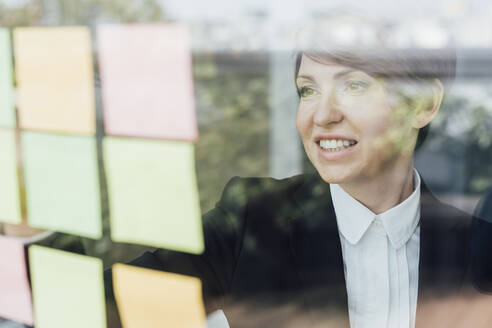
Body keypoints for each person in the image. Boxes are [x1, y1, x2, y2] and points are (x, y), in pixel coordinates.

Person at [104, 38, 492, 327]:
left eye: (353, 85)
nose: (321, 116)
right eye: (308, 89)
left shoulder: (476, 244)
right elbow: (98, 307)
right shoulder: (253, 219)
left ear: (423, 104)